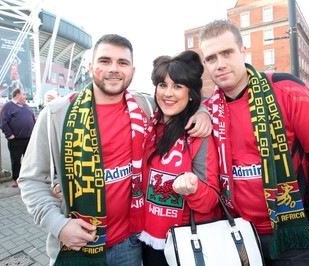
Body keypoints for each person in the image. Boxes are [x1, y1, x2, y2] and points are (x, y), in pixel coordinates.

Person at [17, 34, 212, 266]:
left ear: (132, 70)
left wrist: (202, 111)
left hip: (128, 245)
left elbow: (179, 99)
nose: (114, 69)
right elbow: (30, 180)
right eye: (105, 61)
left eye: (122, 63)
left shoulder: (144, 107)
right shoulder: (57, 114)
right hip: (76, 245)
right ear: (91, 67)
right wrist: (57, 225)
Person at [198, 19, 309, 265]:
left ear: (243, 52)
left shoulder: (286, 88)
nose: (220, 64)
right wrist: (198, 109)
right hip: (237, 234)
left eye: (227, 53)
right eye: (211, 58)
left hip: (293, 232)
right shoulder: (208, 109)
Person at [139, 50, 220, 266]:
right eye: (163, 85)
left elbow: (211, 199)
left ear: (191, 93)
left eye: (177, 86)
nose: (168, 93)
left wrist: (194, 188)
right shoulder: (146, 123)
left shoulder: (197, 133)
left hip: (184, 241)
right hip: (145, 239)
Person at [0, 88, 35, 187]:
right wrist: (9, 135)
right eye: (24, 94)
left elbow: (32, 120)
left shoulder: (26, 106)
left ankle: (29, 177)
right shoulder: (8, 107)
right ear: (17, 95)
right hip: (16, 140)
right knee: (16, 160)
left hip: (28, 139)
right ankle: (16, 179)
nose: (25, 96)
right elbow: (3, 122)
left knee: (29, 159)